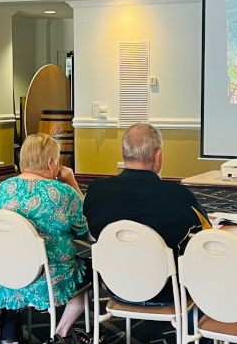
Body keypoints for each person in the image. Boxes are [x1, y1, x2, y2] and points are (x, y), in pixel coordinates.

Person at [0, 133, 90, 344]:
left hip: (5, 276)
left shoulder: (3, 188)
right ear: (51, 162)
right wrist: (71, 182)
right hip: (49, 280)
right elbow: (84, 226)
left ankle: (10, 336)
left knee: (10, 255)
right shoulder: (62, 193)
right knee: (88, 273)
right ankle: (59, 334)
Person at [83, 123, 210, 305]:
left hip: (115, 286)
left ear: (122, 152)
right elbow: (205, 233)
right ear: (158, 156)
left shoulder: (96, 191)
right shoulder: (177, 195)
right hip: (168, 290)